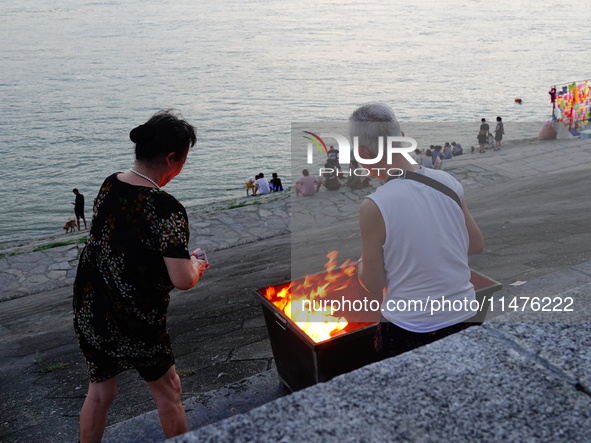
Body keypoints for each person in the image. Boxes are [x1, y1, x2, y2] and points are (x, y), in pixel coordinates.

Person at [73, 110, 208, 442]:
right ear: (172, 157)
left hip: (91, 309)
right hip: (135, 319)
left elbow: (124, 246)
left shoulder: (110, 183)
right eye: (183, 160)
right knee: (168, 391)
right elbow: (182, 279)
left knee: (101, 394)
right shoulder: (166, 208)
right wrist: (196, 265)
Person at [350, 103, 484, 360]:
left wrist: (360, 266)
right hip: (467, 316)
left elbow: (374, 284)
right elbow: (475, 244)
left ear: (363, 152)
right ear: (401, 138)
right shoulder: (447, 182)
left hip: (409, 330)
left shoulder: (374, 205)